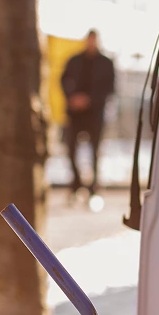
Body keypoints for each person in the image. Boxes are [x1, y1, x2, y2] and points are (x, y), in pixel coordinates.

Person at [60, 29, 115, 196]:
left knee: (95, 151)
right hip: (75, 114)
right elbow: (63, 80)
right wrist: (72, 98)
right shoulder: (75, 60)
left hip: (95, 113)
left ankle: (94, 185)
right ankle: (76, 182)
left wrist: (89, 100)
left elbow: (109, 88)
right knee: (70, 148)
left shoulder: (106, 63)